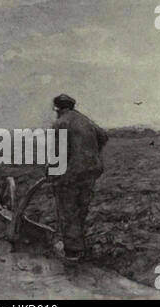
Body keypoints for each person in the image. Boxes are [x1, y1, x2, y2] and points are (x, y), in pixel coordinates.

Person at [48, 94, 108, 261]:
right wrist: (90, 153)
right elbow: (103, 137)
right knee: (82, 208)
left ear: (58, 108)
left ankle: (73, 252)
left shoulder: (60, 123)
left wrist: (51, 172)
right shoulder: (86, 121)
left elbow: (58, 154)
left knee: (68, 211)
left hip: (71, 174)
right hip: (91, 171)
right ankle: (80, 246)